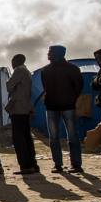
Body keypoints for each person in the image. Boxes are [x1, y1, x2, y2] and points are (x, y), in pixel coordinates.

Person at [41, 45, 84, 173]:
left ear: (59, 53)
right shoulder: (45, 70)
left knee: (72, 136)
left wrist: (71, 98)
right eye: (48, 52)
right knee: (53, 137)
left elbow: (79, 85)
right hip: (51, 107)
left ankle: (76, 164)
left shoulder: (71, 69)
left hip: (68, 107)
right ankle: (58, 164)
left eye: (51, 52)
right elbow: (45, 87)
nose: (49, 55)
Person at [5, 54, 39, 175]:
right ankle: (33, 164)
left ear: (16, 61)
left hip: (19, 107)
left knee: (18, 137)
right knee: (26, 136)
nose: (12, 64)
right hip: (26, 107)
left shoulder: (19, 70)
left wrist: (12, 86)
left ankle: (25, 165)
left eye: (12, 61)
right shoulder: (27, 71)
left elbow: (9, 86)